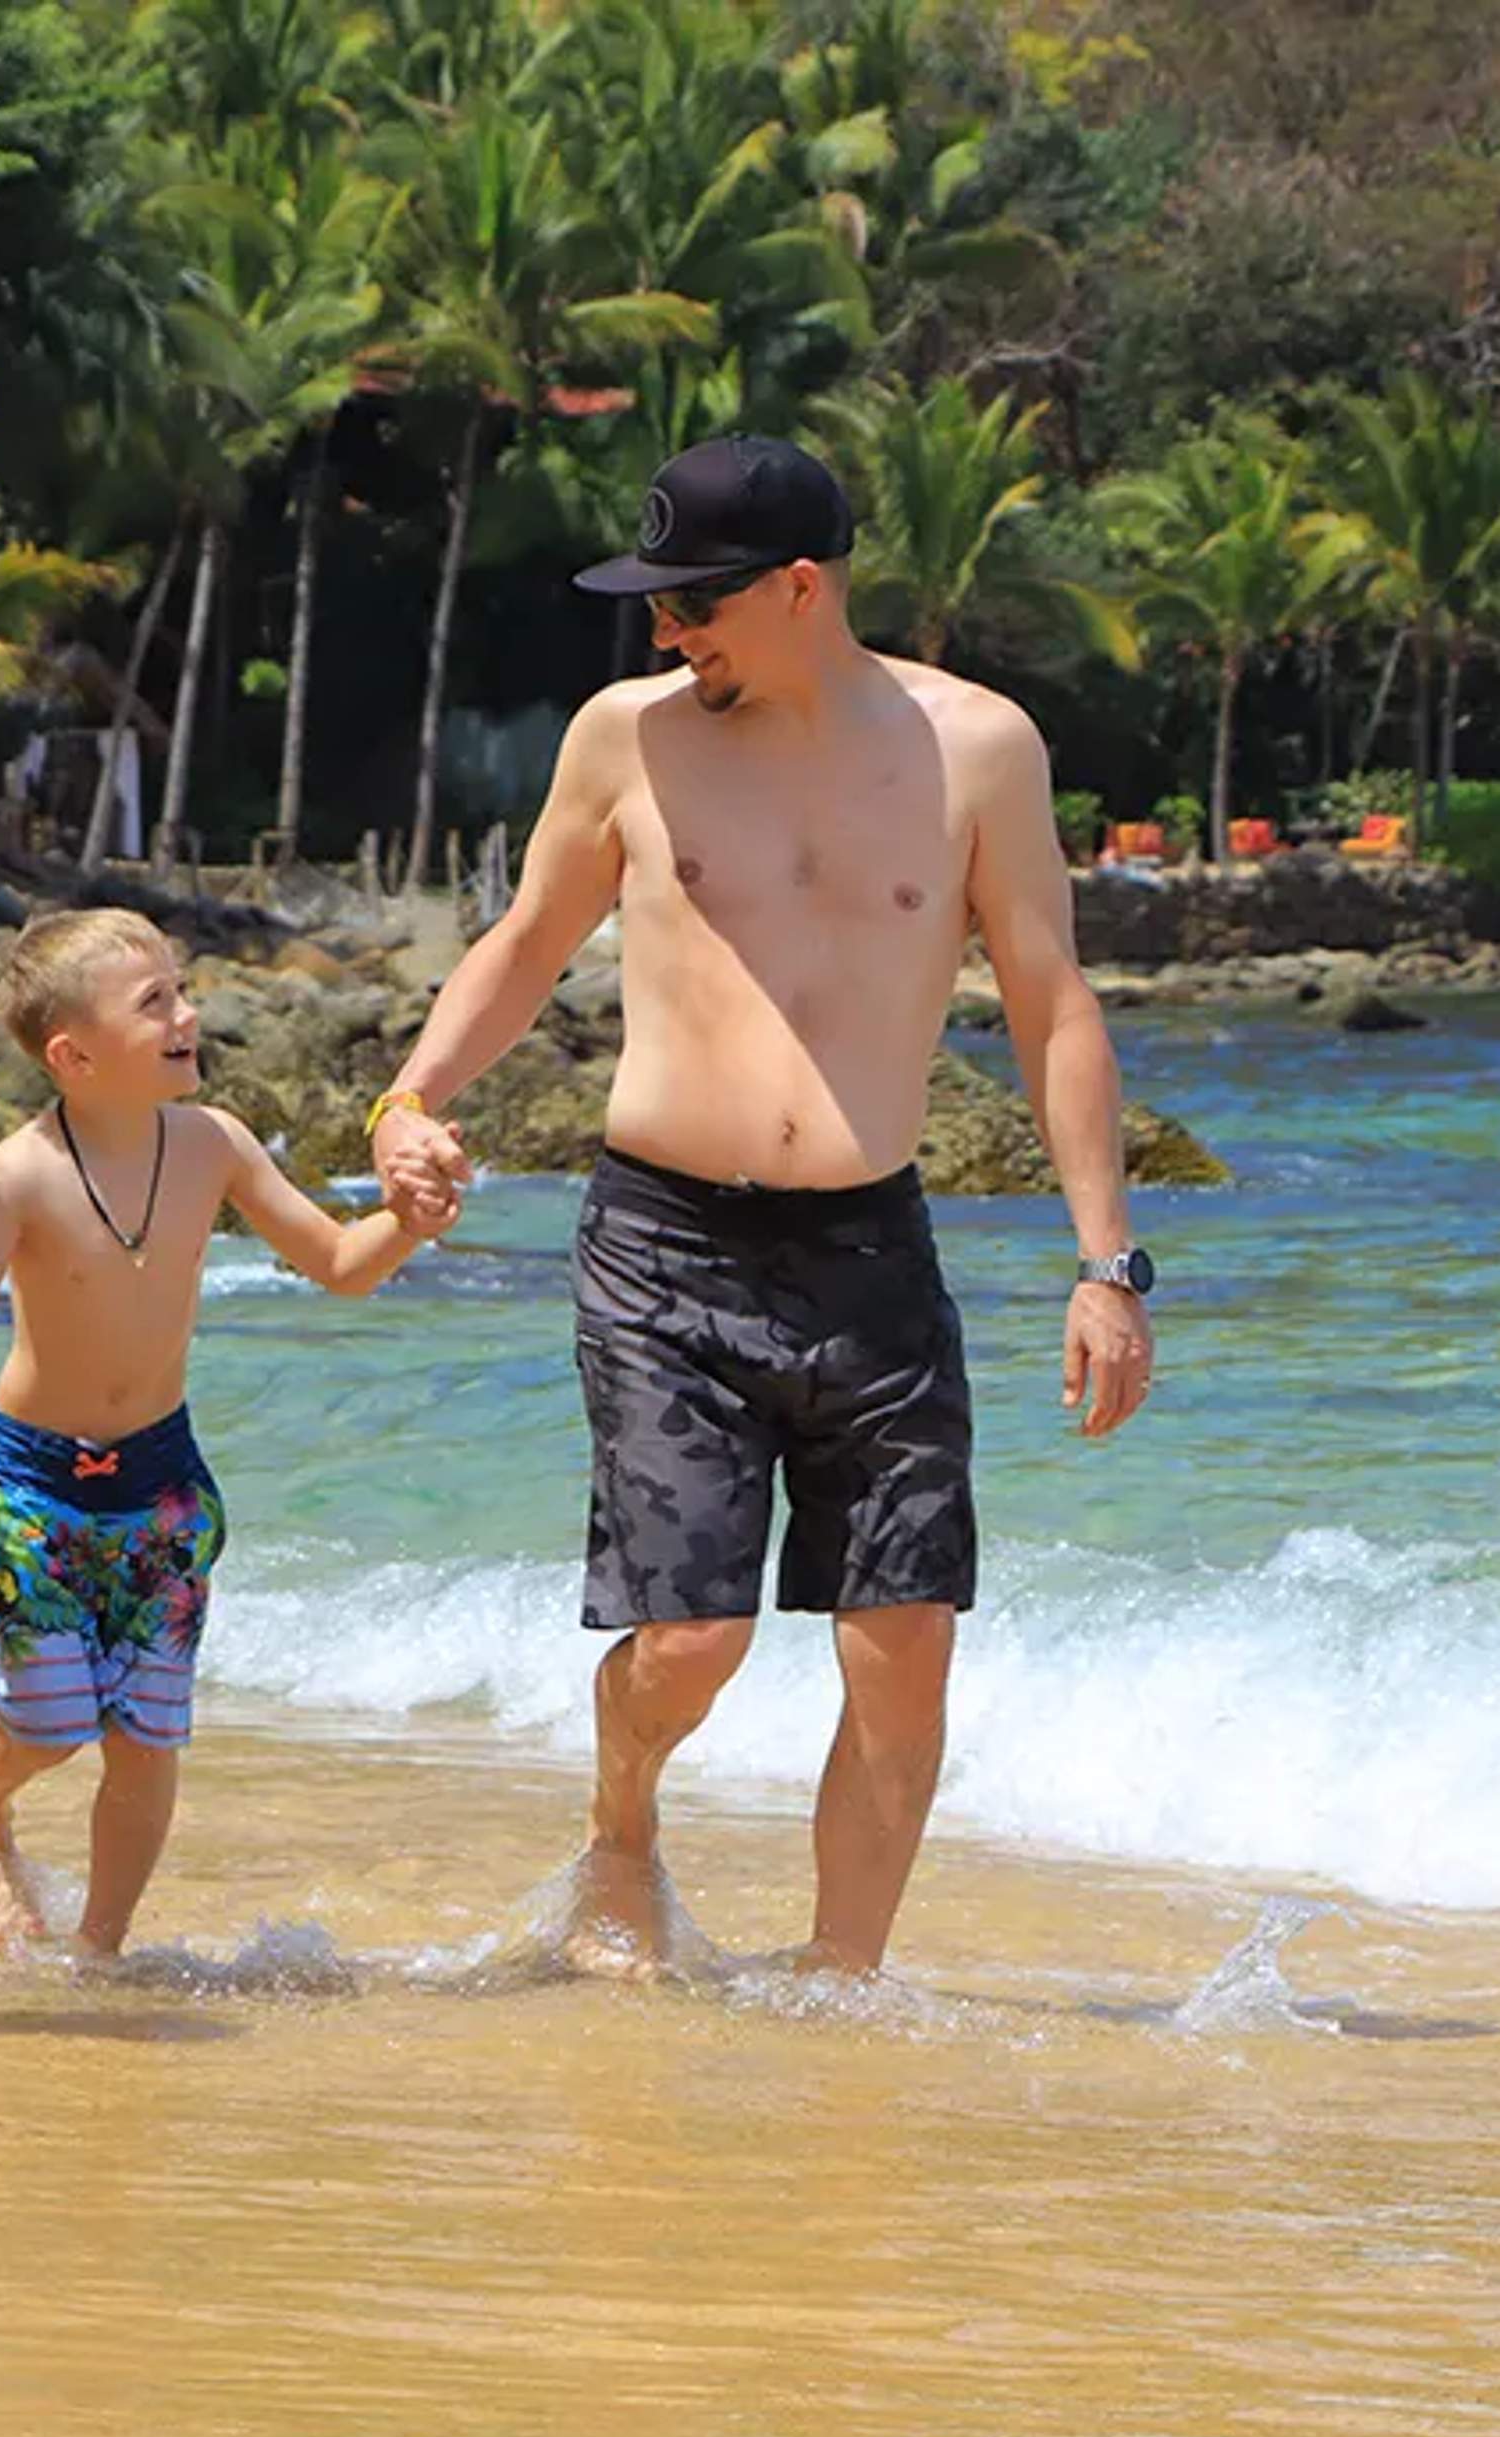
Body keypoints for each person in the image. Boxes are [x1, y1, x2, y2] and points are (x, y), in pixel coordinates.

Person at [367, 436, 1159, 1979]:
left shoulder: (978, 748)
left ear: (801, 586)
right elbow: (529, 940)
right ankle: (621, 1831)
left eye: (694, 605)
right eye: (657, 609)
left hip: (872, 1252)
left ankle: (838, 1986)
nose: (669, 634)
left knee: (905, 1642)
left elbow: (1056, 1006)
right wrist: (411, 1100)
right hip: (665, 1245)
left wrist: (1105, 1264)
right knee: (691, 1641)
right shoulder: (629, 739)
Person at [0, 910, 442, 1959]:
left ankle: (100, 1947)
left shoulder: (213, 1144)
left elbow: (339, 1264)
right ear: (74, 1055)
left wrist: (409, 1218)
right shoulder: (21, 1171)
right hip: (30, 1489)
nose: (189, 1015)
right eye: (156, 1003)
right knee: (50, 1724)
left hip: (165, 1485)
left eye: (181, 992)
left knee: (144, 1738)